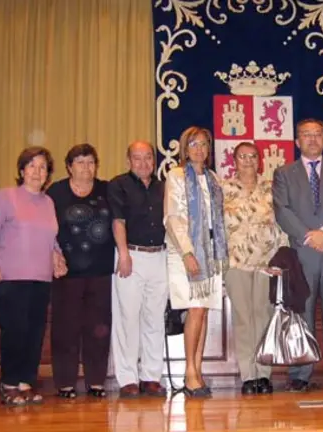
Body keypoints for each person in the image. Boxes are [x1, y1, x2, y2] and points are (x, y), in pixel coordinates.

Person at [272, 118, 323, 392]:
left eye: (317, 134)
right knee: (302, 316)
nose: (312, 139)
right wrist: (310, 236)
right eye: (306, 135)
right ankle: (300, 372)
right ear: (297, 141)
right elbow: (282, 210)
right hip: (303, 254)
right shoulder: (284, 173)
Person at [0, 146, 67, 405]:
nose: (37, 171)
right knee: (15, 331)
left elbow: (51, 238)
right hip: (11, 277)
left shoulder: (48, 202)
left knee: (34, 332)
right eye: (32, 165)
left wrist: (58, 256)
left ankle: (26, 382)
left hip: (41, 278)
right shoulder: (6, 196)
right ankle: (9, 383)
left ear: (48, 174)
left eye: (42, 167)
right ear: (22, 170)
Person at [47, 143, 115, 398]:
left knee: (98, 328)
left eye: (91, 162)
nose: (86, 168)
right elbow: (46, 228)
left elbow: (120, 223)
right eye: (80, 162)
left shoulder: (107, 190)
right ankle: (65, 382)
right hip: (67, 272)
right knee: (66, 328)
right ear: (69, 167)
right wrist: (53, 253)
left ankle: (96, 381)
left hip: (100, 272)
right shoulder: (56, 192)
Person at [165, 126, 228, 398]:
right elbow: (173, 218)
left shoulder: (213, 178)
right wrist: (188, 252)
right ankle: (189, 373)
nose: (199, 149)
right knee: (195, 310)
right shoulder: (177, 176)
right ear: (184, 148)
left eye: (204, 144)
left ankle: (197, 371)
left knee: (203, 312)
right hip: (186, 254)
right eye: (193, 144)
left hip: (210, 252)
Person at [222, 142, 288, 395]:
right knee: (243, 320)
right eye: (242, 157)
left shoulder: (271, 188)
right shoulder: (224, 188)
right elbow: (216, 227)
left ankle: (263, 374)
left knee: (263, 318)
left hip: (265, 264)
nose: (248, 161)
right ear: (234, 161)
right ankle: (248, 375)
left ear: (259, 161)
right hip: (235, 263)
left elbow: (282, 224)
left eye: (252, 156)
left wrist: (281, 259)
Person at [108, 141, 168, 398]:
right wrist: (123, 254)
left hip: (159, 257)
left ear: (154, 161)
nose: (143, 163)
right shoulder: (118, 184)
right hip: (130, 255)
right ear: (128, 161)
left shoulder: (163, 187)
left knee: (154, 319)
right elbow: (118, 220)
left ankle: (151, 376)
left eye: (148, 158)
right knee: (127, 319)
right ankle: (128, 378)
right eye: (137, 158)